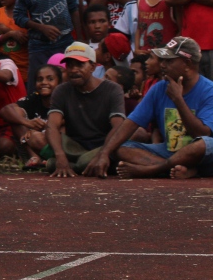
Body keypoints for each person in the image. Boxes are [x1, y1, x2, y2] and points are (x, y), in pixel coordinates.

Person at [89, 37, 213, 179]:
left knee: (203, 144)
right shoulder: (159, 88)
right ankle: (182, 169)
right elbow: (130, 124)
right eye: (162, 60)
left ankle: (152, 170)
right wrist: (104, 153)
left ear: (187, 64)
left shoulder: (209, 91)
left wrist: (178, 100)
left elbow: (201, 134)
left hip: (203, 155)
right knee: (120, 148)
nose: (163, 65)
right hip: (169, 152)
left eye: (169, 61)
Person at [46, 42, 126, 177]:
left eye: (80, 65)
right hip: (74, 146)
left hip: (103, 145)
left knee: (56, 164)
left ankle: (79, 165)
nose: (74, 70)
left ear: (93, 67)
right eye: (70, 65)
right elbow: (52, 126)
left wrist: (103, 154)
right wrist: (60, 155)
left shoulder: (113, 89)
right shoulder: (62, 90)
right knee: (43, 141)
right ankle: (78, 165)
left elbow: (118, 127)